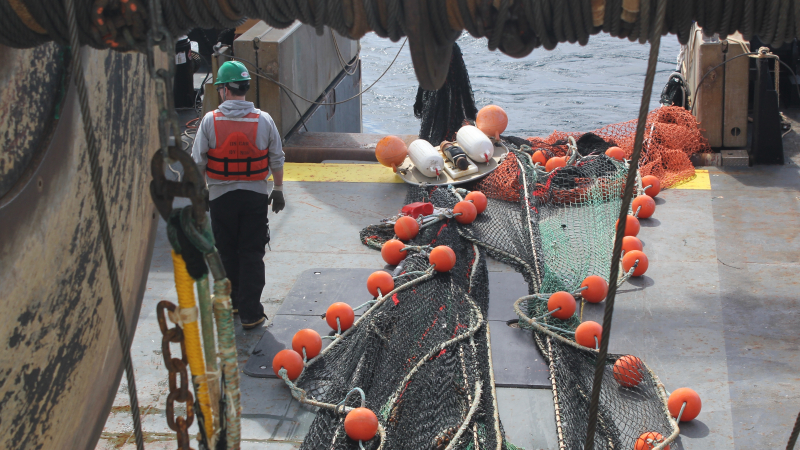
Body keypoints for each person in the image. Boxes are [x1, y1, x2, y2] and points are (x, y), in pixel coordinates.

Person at [192, 60, 285, 330]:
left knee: (226, 252)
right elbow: (276, 158)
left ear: (223, 90)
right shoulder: (264, 120)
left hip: (220, 199)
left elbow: (198, 161)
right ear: (245, 87)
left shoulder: (209, 120)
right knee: (252, 253)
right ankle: (250, 312)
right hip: (254, 197)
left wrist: (201, 193)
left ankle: (232, 302)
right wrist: (277, 189)